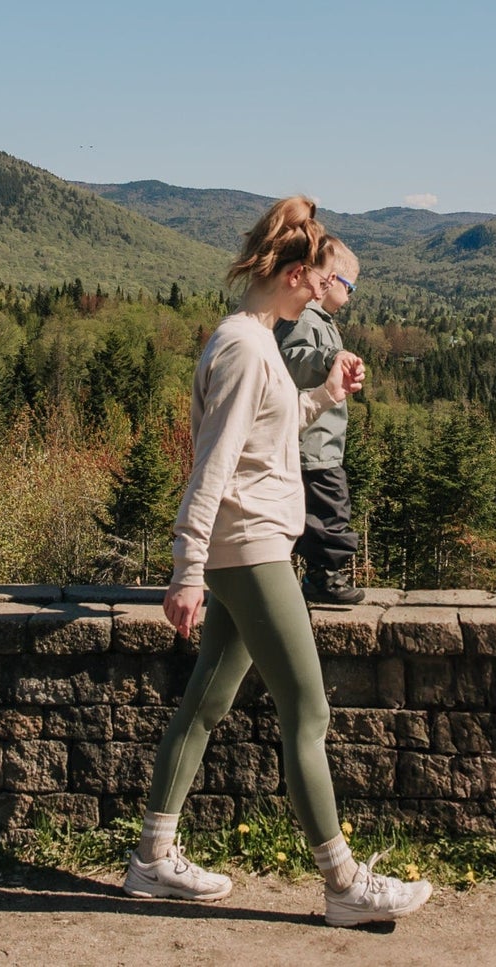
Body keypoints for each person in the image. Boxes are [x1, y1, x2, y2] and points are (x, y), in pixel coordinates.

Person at [124, 197, 431, 928]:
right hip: (248, 548)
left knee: (205, 701)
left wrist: (322, 394)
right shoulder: (241, 345)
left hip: (246, 547)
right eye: (320, 275)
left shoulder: (254, 340)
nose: (325, 287)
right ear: (295, 274)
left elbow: (270, 425)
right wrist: (185, 567)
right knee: (307, 710)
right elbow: (213, 463)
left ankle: (151, 859)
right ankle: (343, 882)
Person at [275, 241, 364, 604]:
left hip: (318, 440)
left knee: (311, 512)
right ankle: (324, 577)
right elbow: (293, 359)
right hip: (312, 443)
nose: (348, 295)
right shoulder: (307, 320)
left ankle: (302, 577)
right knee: (329, 509)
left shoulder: (320, 321)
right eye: (349, 287)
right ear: (330, 279)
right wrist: (331, 358)